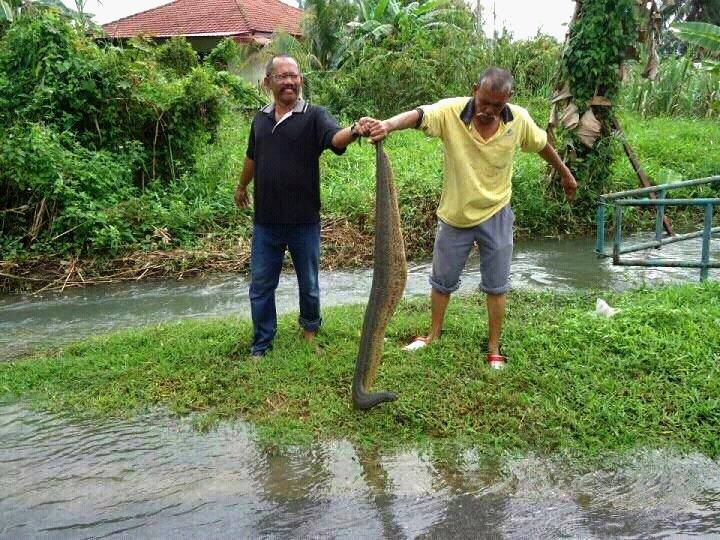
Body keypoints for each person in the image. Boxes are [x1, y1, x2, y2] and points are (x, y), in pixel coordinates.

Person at [365, 67, 577, 368]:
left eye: (497, 105)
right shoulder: (451, 111)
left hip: (497, 212)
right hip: (455, 215)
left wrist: (566, 175)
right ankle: (433, 334)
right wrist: (387, 125)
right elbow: (419, 115)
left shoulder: (518, 119)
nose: (489, 110)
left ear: (508, 99)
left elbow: (543, 146)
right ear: (475, 89)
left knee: (497, 285)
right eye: (484, 102)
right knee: (442, 281)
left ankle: (493, 347)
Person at [235, 54, 367, 357]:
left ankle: (309, 332)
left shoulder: (314, 116)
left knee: (308, 284)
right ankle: (262, 343)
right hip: (265, 223)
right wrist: (242, 185)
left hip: (304, 221)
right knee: (260, 286)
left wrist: (356, 129)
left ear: (301, 80)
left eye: (294, 76)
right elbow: (252, 156)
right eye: (282, 76)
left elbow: (335, 139)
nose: (289, 82)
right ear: (268, 81)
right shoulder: (260, 119)